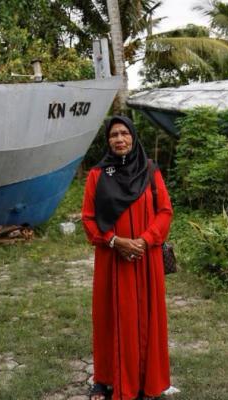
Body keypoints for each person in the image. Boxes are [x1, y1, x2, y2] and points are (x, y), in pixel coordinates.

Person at [81, 116, 173, 400]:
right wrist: (114, 241)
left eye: (124, 133)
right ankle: (106, 378)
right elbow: (88, 218)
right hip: (112, 259)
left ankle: (148, 382)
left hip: (146, 258)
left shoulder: (149, 170)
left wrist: (144, 241)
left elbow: (165, 211)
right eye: (113, 135)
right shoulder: (97, 175)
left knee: (146, 318)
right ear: (107, 141)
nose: (119, 139)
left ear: (133, 137)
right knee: (110, 318)